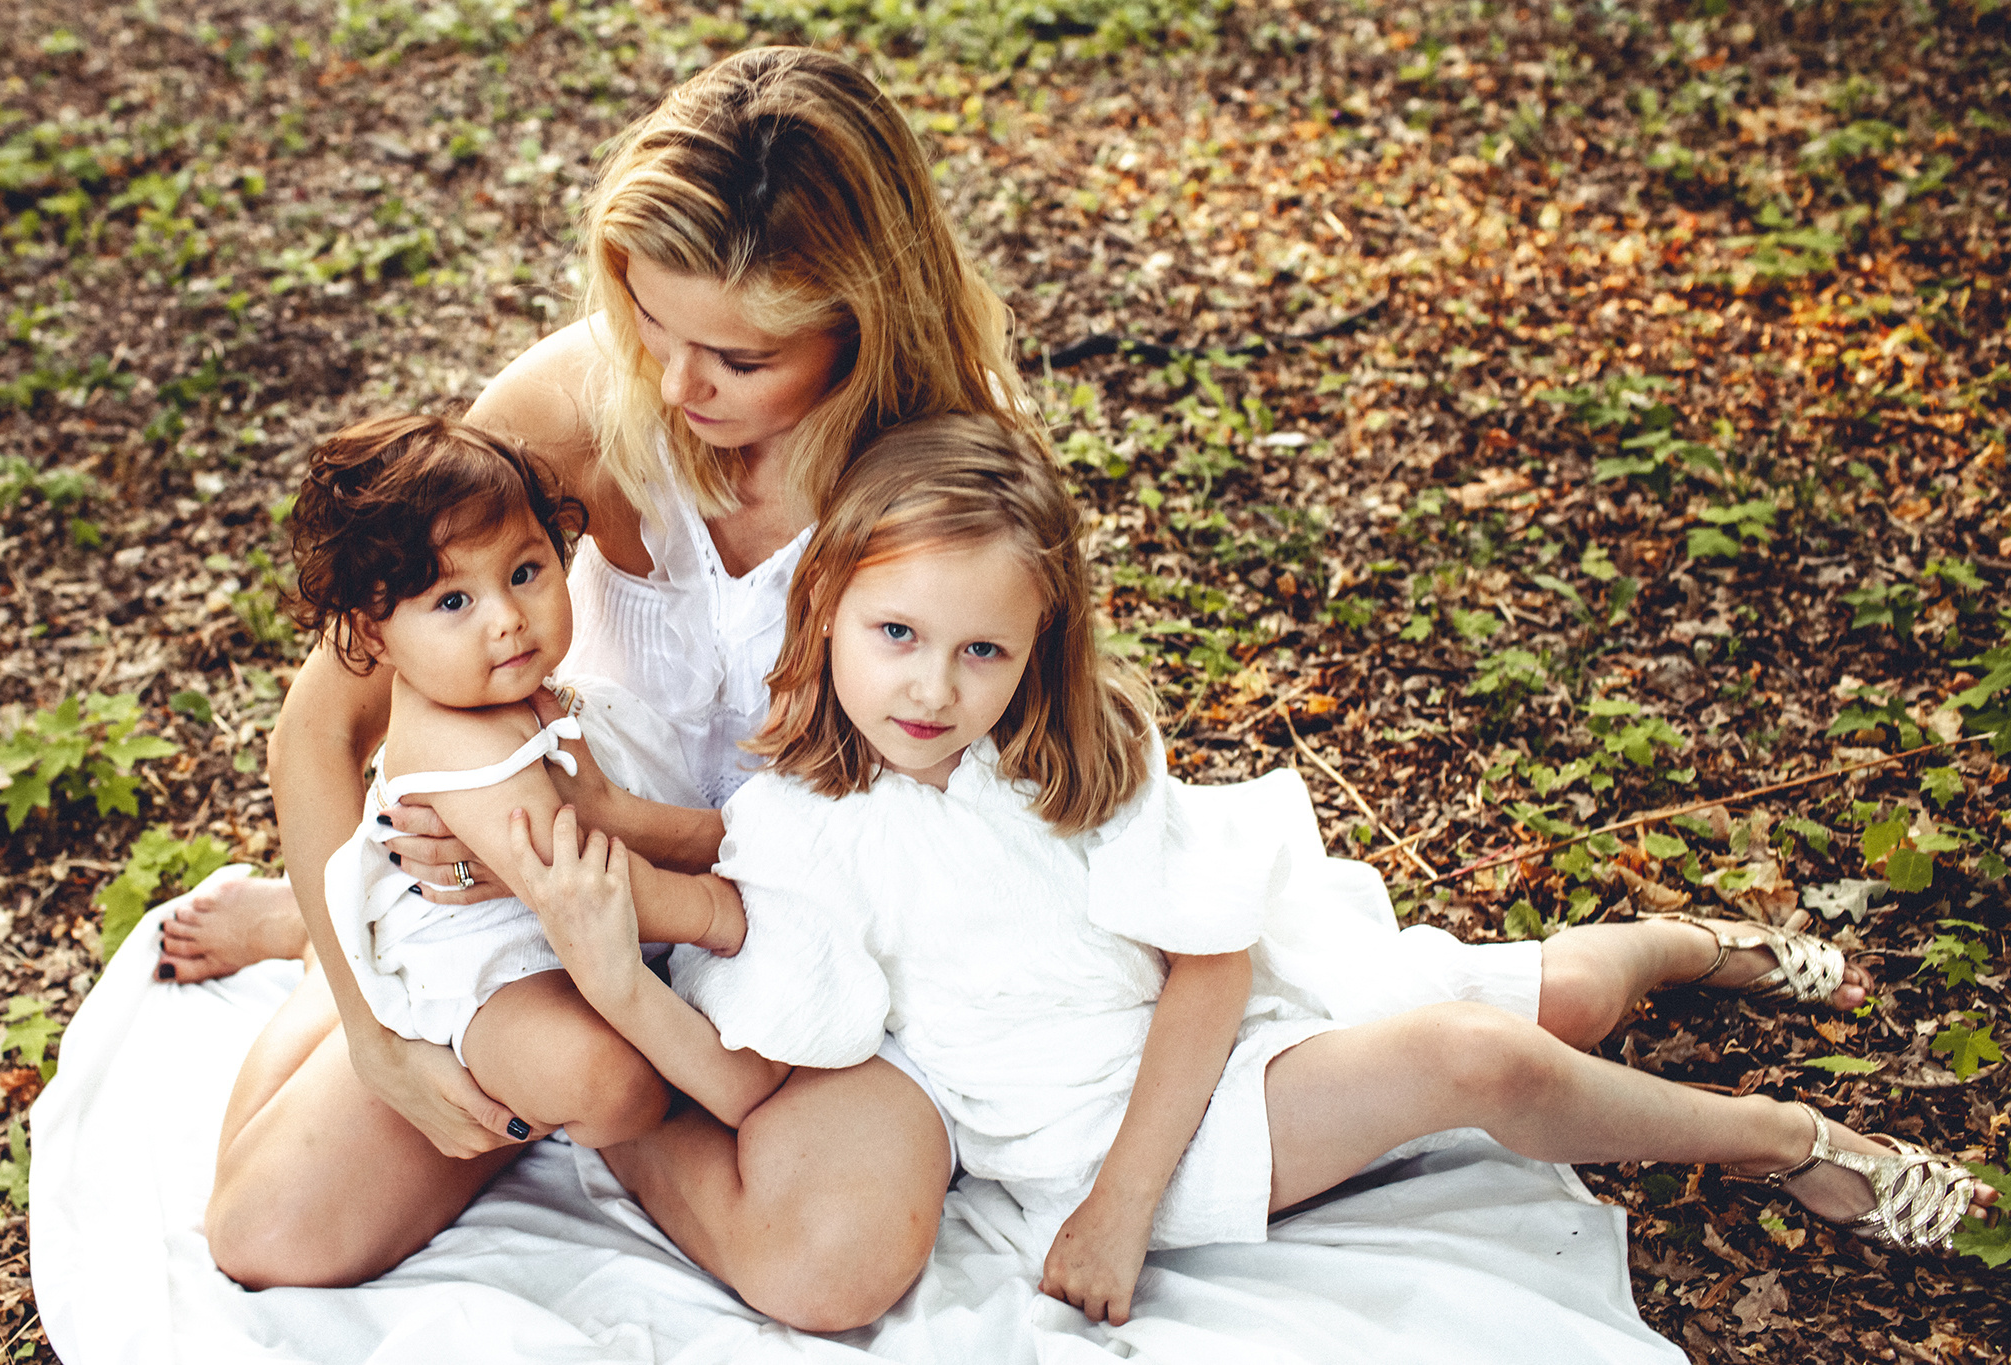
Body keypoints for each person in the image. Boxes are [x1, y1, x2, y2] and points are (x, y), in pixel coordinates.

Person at [506, 414, 1996, 1328]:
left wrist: (1124, 1209)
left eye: (982, 650)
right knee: (1487, 1057)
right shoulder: (794, 821)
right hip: (1084, 1133)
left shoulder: (1069, 755)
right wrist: (607, 880)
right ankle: (1775, 1133)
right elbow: (748, 969)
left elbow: (1207, 964)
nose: (932, 687)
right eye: (895, 635)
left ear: (1037, 649)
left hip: (1211, 1058)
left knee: (1557, 1014)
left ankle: (1696, 966)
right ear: (825, 608)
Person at [199, 46, 1035, 1331]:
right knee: (273, 1232)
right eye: (650, 319)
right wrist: (378, 1033)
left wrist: (634, 1024)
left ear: (862, 320)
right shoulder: (570, 408)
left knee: (832, 1263)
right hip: (544, 892)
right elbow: (325, 721)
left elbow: (996, 772)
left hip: (800, 924)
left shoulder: (944, 470)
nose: (678, 383)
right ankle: (339, 936)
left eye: (739, 356)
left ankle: (611, 1107)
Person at [283, 413, 749, 1148]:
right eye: (453, 601)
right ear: (375, 635)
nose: (507, 618)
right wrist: (713, 912)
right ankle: (596, 1135)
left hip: (575, 931)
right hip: (489, 968)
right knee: (612, 1082)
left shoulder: (512, 694)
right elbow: (575, 878)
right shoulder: (455, 738)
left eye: (525, 573)